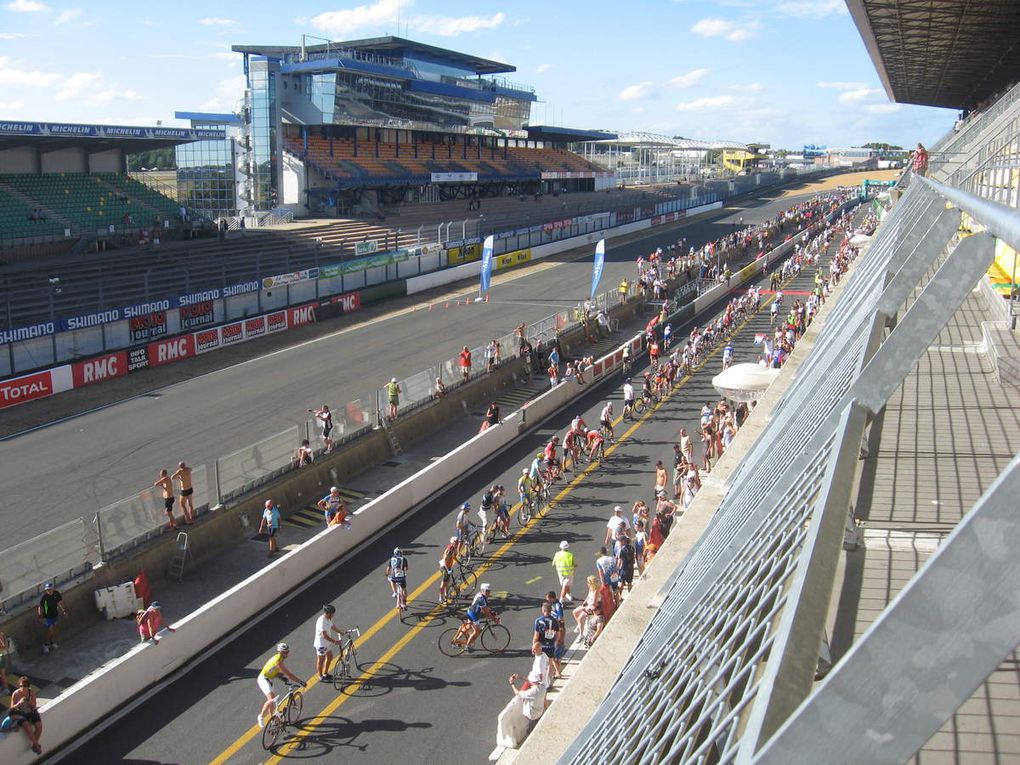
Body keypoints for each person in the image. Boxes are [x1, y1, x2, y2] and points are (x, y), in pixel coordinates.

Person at [257, 643, 304, 729]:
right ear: (281, 652)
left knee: (274, 702)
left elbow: (272, 670)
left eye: (287, 651)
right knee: (271, 699)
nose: (287, 653)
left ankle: (274, 720)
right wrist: (300, 681)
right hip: (264, 679)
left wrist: (281, 677)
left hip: (269, 679)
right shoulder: (278, 661)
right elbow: (288, 674)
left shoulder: (279, 658)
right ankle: (261, 716)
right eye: (285, 652)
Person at [8, 676, 43, 754]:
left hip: (31, 712)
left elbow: (34, 706)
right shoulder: (15, 694)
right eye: (21, 686)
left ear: (28, 686)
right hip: (21, 714)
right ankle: (36, 745)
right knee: (27, 726)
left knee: (39, 726)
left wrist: (30, 702)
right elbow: (11, 709)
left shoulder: (31, 692)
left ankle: (35, 744)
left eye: (25, 686)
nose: (23, 688)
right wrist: (19, 703)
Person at [532, 601, 563, 680]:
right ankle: (552, 677)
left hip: (541, 646)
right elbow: (558, 633)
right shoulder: (555, 620)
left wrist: (534, 646)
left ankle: (541, 680)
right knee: (550, 661)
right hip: (551, 645)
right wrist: (556, 641)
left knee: (540, 663)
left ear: (543, 610)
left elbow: (536, 636)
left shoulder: (538, 620)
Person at [463, 583, 498, 649]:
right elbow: (485, 612)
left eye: (489, 591)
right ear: (482, 590)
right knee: (477, 631)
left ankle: (457, 638)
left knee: (468, 626)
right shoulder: (482, 599)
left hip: (470, 611)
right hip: (474, 615)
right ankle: (467, 646)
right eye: (487, 591)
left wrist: (490, 611)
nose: (488, 593)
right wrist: (493, 618)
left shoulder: (480, 595)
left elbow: (485, 608)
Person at [313, 604, 341, 681]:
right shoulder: (321, 621)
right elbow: (324, 636)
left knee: (330, 657)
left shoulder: (328, 619)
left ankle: (325, 673)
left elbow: (332, 626)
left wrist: (340, 631)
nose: (333, 615)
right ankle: (320, 676)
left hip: (327, 643)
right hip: (321, 645)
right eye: (333, 614)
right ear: (328, 613)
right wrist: (335, 642)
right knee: (321, 660)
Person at [38, 583, 67, 654]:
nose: (49, 591)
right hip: (47, 617)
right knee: (50, 630)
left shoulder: (56, 594)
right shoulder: (44, 597)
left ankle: (51, 642)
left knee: (54, 630)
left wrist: (63, 611)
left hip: (55, 615)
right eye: (47, 590)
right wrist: (40, 617)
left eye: (50, 589)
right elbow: (40, 607)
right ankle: (45, 645)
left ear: (53, 589)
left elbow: (59, 603)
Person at [385, 547, 409, 612]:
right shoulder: (404, 559)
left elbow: (388, 569)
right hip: (401, 578)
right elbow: (406, 568)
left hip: (394, 578)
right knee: (404, 590)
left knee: (391, 580)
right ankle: (404, 602)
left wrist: (387, 575)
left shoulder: (392, 559)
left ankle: (395, 592)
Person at [438, 536, 459, 601]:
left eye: (457, 542)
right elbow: (445, 560)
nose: (457, 543)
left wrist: (459, 562)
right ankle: (440, 597)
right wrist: (447, 570)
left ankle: (446, 594)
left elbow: (454, 557)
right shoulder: (449, 549)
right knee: (444, 583)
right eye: (456, 542)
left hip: (448, 567)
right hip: (444, 567)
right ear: (452, 543)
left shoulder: (454, 549)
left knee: (448, 582)